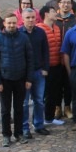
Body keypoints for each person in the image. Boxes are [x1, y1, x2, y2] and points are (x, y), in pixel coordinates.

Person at [0, 14, 33, 147]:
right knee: (5, 110)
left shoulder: (23, 38)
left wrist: (29, 79)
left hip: (20, 79)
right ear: (4, 24)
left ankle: (18, 133)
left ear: (17, 23)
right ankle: (6, 135)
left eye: (14, 23)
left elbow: (30, 59)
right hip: (5, 80)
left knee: (19, 108)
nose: (12, 25)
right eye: (9, 23)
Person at [20, 8, 50, 138]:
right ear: (22, 19)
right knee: (24, 103)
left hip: (38, 72)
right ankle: (24, 127)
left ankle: (38, 125)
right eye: (28, 17)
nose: (31, 20)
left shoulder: (41, 32)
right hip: (24, 74)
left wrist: (45, 68)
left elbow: (45, 51)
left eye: (33, 17)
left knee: (39, 100)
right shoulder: (19, 33)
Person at [37, 6, 65, 126]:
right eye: (53, 11)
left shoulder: (57, 28)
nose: (56, 13)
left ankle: (49, 117)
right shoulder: (39, 29)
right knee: (41, 95)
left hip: (57, 65)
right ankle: (38, 120)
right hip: (45, 68)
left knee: (53, 93)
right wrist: (42, 67)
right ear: (46, 14)